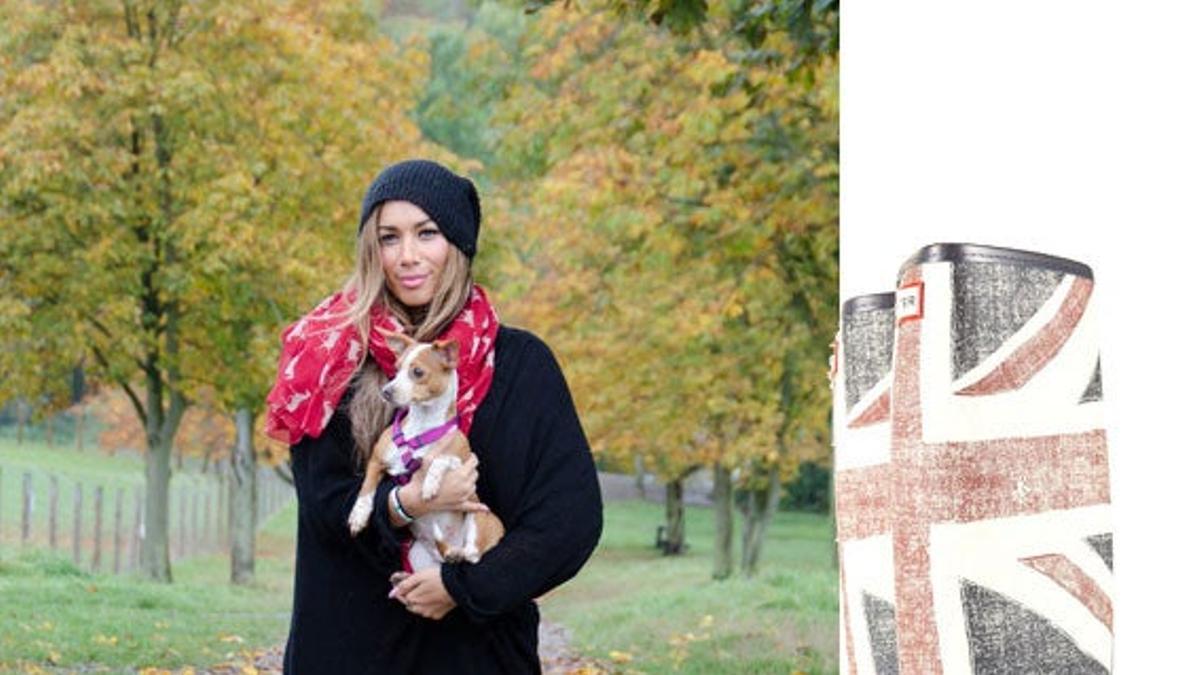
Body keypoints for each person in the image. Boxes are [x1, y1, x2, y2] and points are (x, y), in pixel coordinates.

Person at [265, 159, 603, 673]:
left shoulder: (522, 366)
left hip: (478, 655)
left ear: (459, 245)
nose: (407, 256)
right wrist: (405, 503)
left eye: (427, 233)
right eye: (389, 237)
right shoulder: (330, 356)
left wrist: (461, 586)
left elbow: (568, 520)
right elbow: (324, 505)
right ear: (370, 249)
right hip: (351, 649)